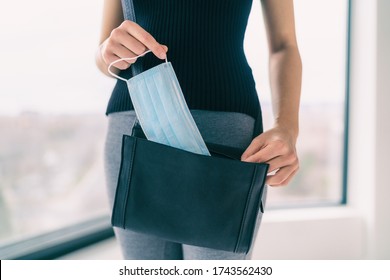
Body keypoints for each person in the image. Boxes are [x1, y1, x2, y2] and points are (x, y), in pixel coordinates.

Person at [96, 0, 301, 260]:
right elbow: (104, 52)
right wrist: (108, 50)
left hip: (224, 135)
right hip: (133, 123)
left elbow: (285, 45)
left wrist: (288, 127)